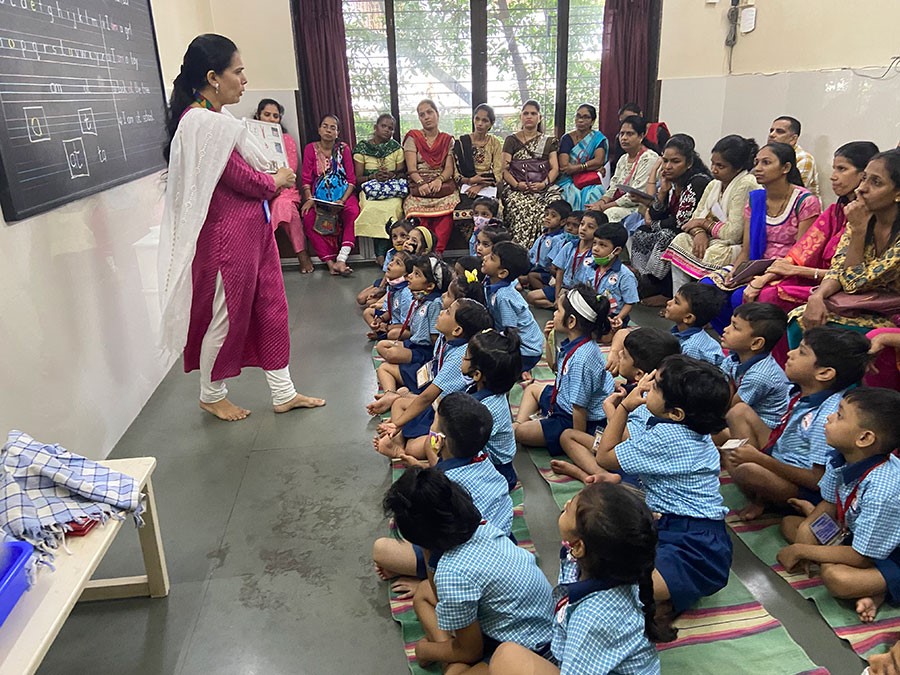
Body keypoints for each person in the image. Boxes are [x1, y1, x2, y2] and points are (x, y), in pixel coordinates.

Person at [159, 33, 325, 421]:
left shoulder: (219, 119)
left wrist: (273, 179)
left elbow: (248, 170)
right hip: (225, 239)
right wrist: (276, 181)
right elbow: (238, 177)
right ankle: (211, 393)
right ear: (214, 77)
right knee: (226, 316)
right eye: (239, 72)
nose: (245, 80)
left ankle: (283, 391)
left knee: (272, 309)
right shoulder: (200, 121)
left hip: (254, 230)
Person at [589, 356, 733, 622]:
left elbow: (604, 456)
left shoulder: (670, 438)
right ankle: (669, 599)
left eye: (654, 386)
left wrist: (624, 408)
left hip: (695, 547)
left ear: (676, 413)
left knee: (623, 585)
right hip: (674, 527)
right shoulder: (687, 427)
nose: (646, 387)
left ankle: (668, 599)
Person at [489, 482, 673, 675]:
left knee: (506, 657)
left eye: (569, 509)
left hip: (579, 656)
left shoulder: (594, 618)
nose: (567, 502)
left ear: (579, 547)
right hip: (571, 649)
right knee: (506, 656)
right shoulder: (593, 562)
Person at [384, 468, 553, 672]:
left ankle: (452, 650)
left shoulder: (453, 573)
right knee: (422, 593)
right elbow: (438, 591)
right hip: (522, 623)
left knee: (455, 670)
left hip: (532, 651)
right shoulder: (481, 527)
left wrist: (425, 650)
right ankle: (454, 646)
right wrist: (428, 551)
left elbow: (471, 652)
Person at [777, 387, 900, 624]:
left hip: (891, 554)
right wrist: (806, 533)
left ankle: (879, 589)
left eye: (840, 415)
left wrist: (801, 550)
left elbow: (861, 556)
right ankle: (872, 589)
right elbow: (830, 503)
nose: (829, 417)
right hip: (857, 536)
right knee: (792, 525)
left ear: (864, 438)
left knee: (837, 578)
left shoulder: (884, 489)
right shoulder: (843, 455)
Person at [372, 393, 514, 597]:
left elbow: (437, 540)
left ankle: (420, 578)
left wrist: (431, 584)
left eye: (435, 421)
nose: (431, 426)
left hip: (467, 563)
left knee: (381, 550)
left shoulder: (442, 486)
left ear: (441, 439)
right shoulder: (484, 459)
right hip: (503, 546)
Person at [723, 327, 870, 521]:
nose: (789, 354)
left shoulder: (828, 416)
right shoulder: (801, 392)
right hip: (781, 455)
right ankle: (761, 492)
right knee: (738, 412)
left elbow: (817, 481)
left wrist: (760, 459)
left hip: (800, 485)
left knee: (746, 470)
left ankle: (770, 499)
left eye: (801, 352)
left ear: (825, 373)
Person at [744, 142, 881, 313]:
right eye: (834, 168)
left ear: (863, 176)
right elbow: (801, 253)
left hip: (844, 290)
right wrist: (764, 278)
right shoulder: (835, 213)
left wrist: (796, 270)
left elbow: (855, 276)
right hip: (814, 279)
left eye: (842, 169)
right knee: (755, 290)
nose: (833, 176)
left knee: (770, 296)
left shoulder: (874, 220)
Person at [703, 142, 821, 333]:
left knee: (739, 297)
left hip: (788, 270)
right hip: (756, 264)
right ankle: (730, 338)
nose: (758, 168)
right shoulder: (755, 199)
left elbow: (801, 255)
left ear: (786, 168)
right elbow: (747, 249)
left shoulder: (805, 202)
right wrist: (737, 272)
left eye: (766, 162)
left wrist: (764, 276)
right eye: (756, 162)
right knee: (707, 289)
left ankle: (752, 345)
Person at [798, 149, 900, 338]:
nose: (861, 189)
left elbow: (853, 283)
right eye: (864, 179)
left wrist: (858, 231)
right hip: (864, 304)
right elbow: (837, 270)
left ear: (897, 194)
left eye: (875, 182)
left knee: (810, 326)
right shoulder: (864, 218)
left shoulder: (860, 222)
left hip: (892, 314)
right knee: (801, 316)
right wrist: (817, 296)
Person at [555, 328, 681, 482]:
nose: (619, 355)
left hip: (630, 464)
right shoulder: (657, 387)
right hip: (626, 452)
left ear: (639, 374)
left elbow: (628, 439)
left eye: (625, 355)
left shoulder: (647, 401)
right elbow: (622, 332)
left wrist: (612, 411)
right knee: (569, 436)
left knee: (569, 437)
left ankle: (600, 475)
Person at [374, 298, 493, 457]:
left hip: (445, 414)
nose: (442, 311)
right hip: (436, 403)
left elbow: (427, 397)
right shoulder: (445, 339)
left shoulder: (459, 357)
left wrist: (397, 423)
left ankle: (400, 448)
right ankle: (398, 434)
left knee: (415, 446)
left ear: (457, 330)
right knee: (399, 404)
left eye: (448, 312)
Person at [514, 286, 615, 455]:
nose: (554, 314)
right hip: (562, 398)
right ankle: (519, 424)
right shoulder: (577, 343)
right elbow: (554, 367)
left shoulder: (582, 359)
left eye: (558, 311)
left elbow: (579, 409)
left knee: (521, 434)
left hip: (573, 417)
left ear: (571, 321)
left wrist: (577, 439)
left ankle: (520, 428)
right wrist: (549, 340)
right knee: (532, 389)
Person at [662, 135, 760, 292]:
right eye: (713, 163)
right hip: (711, 237)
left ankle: (699, 304)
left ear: (737, 167)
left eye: (720, 166)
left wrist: (702, 224)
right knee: (681, 239)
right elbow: (693, 220)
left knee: (713, 253)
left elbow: (733, 233)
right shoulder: (714, 184)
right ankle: (679, 299)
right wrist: (699, 232)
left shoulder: (746, 184)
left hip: (733, 245)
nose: (713, 169)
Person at [630, 135, 712, 300]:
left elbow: (681, 222)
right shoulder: (673, 181)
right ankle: (646, 278)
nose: (668, 166)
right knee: (641, 231)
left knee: (665, 235)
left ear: (689, 163)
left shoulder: (697, 182)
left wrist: (655, 223)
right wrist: (662, 192)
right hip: (672, 227)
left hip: (693, 231)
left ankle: (660, 289)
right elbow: (655, 213)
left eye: (675, 162)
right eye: (665, 161)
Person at [371, 256, 451, 413]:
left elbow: (435, 341)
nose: (409, 276)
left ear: (429, 286)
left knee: (390, 356)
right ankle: (390, 394)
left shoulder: (434, 304)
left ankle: (400, 393)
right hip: (414, 345)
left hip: (424, 353)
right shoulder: (419, 299)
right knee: (383, 358)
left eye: (416, 274)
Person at [720, 303, 792, 450]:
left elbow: (730, 408)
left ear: (756, 343)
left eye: (735, 327)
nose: (726, 329)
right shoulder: (734, 357)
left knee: (712, 434)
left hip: (768, 433)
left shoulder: (759, 375)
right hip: (746, 421)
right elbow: (721, 385)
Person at [254, 98, 313, 273]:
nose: (271, 119)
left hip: (284, 189)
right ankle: (263, 262)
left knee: (285, 207)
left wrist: (275, 185)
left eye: (275, 116)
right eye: (267, 115)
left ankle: (302, 255)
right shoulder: (248, 139)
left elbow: (291, 169)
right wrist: (265, 185)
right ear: (258, 116)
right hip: (258, 188)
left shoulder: (285, 139)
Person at [299, 114, 360, 276]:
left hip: (342, 194)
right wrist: (310, 199)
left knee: (352, 211)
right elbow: (306, 179)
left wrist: (343, 199)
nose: (328, 130)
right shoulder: (310, 149)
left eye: (333, 127)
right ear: (319, 129)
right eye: (325, 126)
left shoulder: (343, 149)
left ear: (337, 133)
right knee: (308, 217)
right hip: (318, 197)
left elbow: (351, 179)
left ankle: (342, 258)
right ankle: (330, 263)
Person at [464, 329, 523, 490]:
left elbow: (467, 446)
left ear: (477, 374)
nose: (462, 359)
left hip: (498, 471)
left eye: (465, 356)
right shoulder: (487, 388)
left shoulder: (487, 409)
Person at [500, 100, 562, 246]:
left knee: (554, 205)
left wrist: (543, 184)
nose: (529, 116)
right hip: (516, 187)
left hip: (543, 186)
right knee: (523, 205)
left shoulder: (548, 141)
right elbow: (504, 169)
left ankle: (545, 250)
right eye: (526, 113)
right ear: (521, 117)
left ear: (539, 117)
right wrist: (517, 184)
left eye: (533, 113)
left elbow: (555, 168)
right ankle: (520, 250)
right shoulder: (511, 140)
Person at [403, 99, 460, 254]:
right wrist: (421, 183)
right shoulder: (413, 138)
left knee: (446, 213)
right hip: (419, 184)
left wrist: (439, 180)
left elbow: (449, 168)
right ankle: (419, 253)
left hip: (441, 184)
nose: (426, 117)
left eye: (430, 112)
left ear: (437, 114)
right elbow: (411, 169)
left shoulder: (447, 140)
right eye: (422, 115)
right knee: (418, 214)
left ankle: (437, 254)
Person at [353, 114, 408, 264]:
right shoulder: (362, 148)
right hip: (370, 189)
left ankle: (392, 251)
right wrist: (373, 177)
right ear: (375, 127)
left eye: (391, 128)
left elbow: (402, 173)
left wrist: (392, 175)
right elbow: (357, 179)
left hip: (392, 189)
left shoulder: (396, 148)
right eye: (384, 126)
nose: (387, 130)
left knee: (394, 207)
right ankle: (379, 254)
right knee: (371, 208)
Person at [482, 242, 545, 372]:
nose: (485, 258)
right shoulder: (490, 282)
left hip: (527, 352)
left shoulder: (504, 297)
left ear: (502, 273)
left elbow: (511, 332)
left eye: (492, 258)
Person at [587, 116, 660, 223]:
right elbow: (614, 186)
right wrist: (601, 202)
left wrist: (604, 207)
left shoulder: (649, 158)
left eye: (629, 134)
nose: (624, 138)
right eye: (622, 134)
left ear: (641, 136)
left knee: (610, 214)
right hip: (620, 203)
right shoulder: (623, 158)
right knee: (591, 212)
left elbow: (636, 194)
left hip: (640, 207)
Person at [575, 222, 638, 331]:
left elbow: (629, 302)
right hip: (591, 310)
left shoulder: (625, 275)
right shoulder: (589, 265)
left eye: (602, 245)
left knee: (602, 334)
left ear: (616, 250)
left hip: (612, 316)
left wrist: (619, 318)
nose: (595, 248)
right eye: (594, 243)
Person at [454, 104, 504, 239]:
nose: (480, 124)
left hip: (487, 186)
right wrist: (470, 181)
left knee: (496, 211)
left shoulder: (495, 143)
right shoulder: (462, 142)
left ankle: (488, 244)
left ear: (491, 124)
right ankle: (472, 243)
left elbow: (498, 173)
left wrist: (479, 186)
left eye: (485, 121)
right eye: (477, 119)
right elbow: (455, 174)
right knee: (459, 211)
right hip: (466, 186)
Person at [556, 104, 608, 210]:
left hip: (590, 179)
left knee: (595, 194)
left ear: (592, 121)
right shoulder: (567, 138)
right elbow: (565, 167)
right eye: (578, 116)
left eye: (586, 117)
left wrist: (577, 168)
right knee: (571, 194)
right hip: (568, 180)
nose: (580, 120)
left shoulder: (598, 138)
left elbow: (599, 161)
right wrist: (590, 165)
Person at [663, 282, 726, 366]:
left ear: (688, 318)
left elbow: (686, 374)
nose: (668, 302)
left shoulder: (691, 348)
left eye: (676, 302)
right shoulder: (680, 333)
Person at [550, 211, 604, 306]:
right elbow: (560, 271)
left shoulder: (596, 253)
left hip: (582, 294)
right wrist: (557, 296)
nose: (583, 229)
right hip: (565, 288)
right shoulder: (570, 245)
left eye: (590, 227)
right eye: (582, 224)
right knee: (532, 297)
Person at [523, 200, 571, 296]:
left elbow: (552, 264)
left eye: (553, 216)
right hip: (534, 266)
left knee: (531, 277)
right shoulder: (544, 235)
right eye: (546, 215)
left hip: (546, 271)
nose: (547, 218)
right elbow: (532, 252)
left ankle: (545, 292)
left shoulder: (558, 239)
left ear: (563, 222)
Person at [362, 250, 412, 340]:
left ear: (406, 274)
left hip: (403, 326)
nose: (391, 263)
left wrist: (387, 327)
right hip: (393, 320)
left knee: (393, 334)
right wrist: (380, 319)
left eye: (398, 263)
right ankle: (381, 332)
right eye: (392, 260)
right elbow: (391, 311)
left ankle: (383, 334)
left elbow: (408, 325)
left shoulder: (406, 294)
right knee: (367, 312)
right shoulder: (393, 285)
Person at [768, 116, 819, 196]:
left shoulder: (803, 158)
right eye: (771, 130)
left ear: (793, 139)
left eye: (780, 131)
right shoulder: (765, 156)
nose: (772, 135)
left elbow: (793, 191)